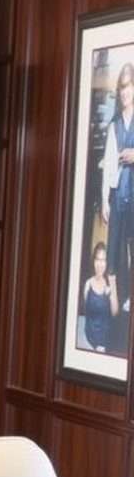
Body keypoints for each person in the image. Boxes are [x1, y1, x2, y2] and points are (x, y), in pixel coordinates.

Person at [101, 60, 134, 313]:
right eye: (122, 86)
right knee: (113, 249)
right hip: (117, 194)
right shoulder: (114, 126)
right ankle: (116, 297)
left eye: (129, 86)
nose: (125, 91)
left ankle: (130, 298)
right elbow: (109, 164)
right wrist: (104, 200)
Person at [82, 241, 118, 352]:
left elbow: (115, 312)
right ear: (93, 261)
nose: (100, 264)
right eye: (97, 259)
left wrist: (112, 285)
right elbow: (85, 312)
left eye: (103, 260)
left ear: (107, 263)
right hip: (86, 339)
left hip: (102, 344)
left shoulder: (110, 284)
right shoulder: (88, 284)